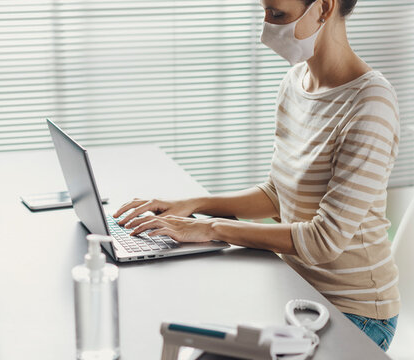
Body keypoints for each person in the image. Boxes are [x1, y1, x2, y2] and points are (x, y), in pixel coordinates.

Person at [114, 0, 399, 351]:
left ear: (324, 8)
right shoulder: (296, 83)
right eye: (264, 10)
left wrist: (211, 227)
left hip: (354, 315)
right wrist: (192, 204)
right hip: (296, 291)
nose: (266, 27)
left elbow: (325, 240)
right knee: (197, 336)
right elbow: (277, 194)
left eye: (277, 13)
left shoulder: (370, 104)